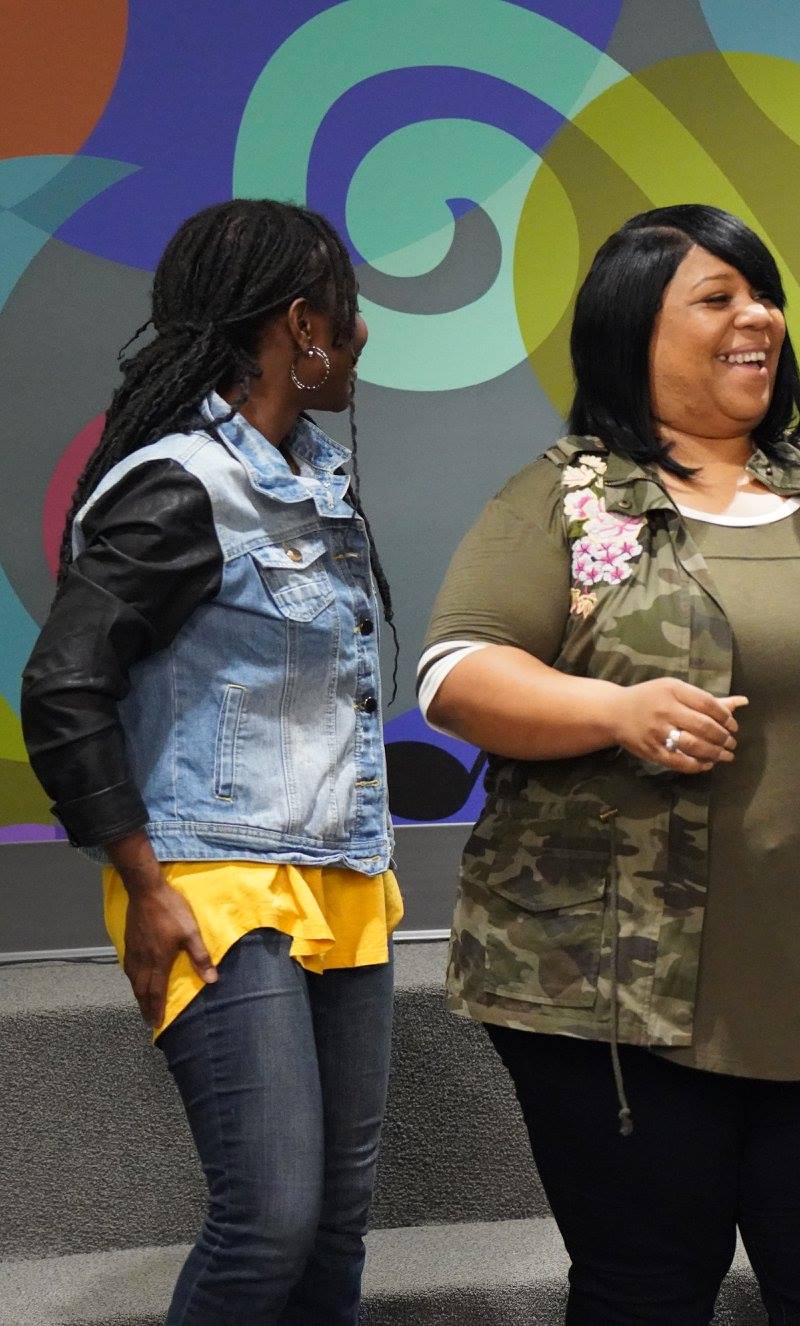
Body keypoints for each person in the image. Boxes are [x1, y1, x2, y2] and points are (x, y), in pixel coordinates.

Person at [420, 204, 800, 1324]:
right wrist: (614, 710)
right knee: (642, 1294)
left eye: (764, 295)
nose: (759, 318)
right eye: (718, 297)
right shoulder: (567, 496)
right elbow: (456, 672)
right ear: (632, 330)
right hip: (615, 1007)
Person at [20, 199, 401, 1325]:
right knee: (268, 1221)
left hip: (340, 872)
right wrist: (143, 881)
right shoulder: (180, 482)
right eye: (347, 307)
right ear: (303, 324)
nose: (363, 331)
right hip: (213, 883)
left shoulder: (311, 477)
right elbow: (64, 684)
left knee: (333, 1228)